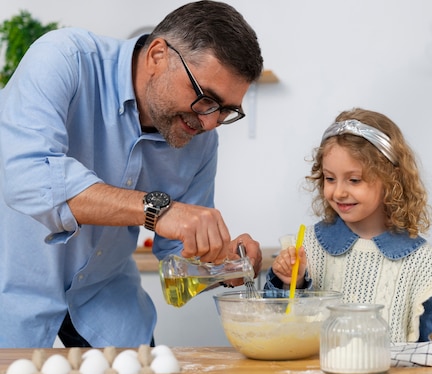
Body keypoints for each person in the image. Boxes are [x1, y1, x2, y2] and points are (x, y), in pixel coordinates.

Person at [0, 1, 264, 348]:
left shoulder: (202, 143)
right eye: (206, 98)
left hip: (112, 317)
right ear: (157, 55)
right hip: (13, 308)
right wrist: (158, 209)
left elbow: (176, 256)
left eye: (227, 110)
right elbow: (25, 175)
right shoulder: (63, 59)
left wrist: (226, 265)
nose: (210, 122)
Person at [266, 108, 432, 343]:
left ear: (391, 181)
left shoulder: (428, 269)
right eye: (329, 178)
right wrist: (290, 283)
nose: (338, 192)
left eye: (354, 180)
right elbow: (274, 326)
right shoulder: (304, 249)